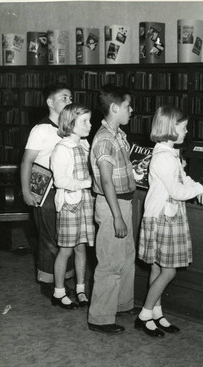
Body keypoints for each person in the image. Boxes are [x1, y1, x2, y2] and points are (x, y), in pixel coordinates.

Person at [136, 105, 203, 337]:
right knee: (169, 271)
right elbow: (176, 190)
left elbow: (183, 178)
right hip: (163, 217)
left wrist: (198, 186)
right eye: (183, 128)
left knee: (158, 267)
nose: (187, 131)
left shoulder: (170, 152)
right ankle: (144, 315)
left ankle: (156, 313)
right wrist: (198, 188)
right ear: (170, 128)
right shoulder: (164, 157)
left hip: (166, 215)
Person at [88, 84, 136, 335]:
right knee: (110, 261)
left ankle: (122, 304)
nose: (131, 110)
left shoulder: (117, 134)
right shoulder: (104, 138)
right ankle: (100, 318)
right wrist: (117, 216)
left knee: (126, 256)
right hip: (111, 206)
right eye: (128, 106)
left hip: (123, 202)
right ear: (115, 108)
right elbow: (106, 181)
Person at [20, 83, 74, 298]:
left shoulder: (71, 128)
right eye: (64, 98)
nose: (69, 102)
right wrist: (26, 191)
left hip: (66, 190)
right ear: (50, 103)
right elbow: (27, 162)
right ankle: (48, 281)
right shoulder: (41, 129)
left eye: (70, 98)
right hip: (46, 192)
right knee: (49, 237)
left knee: (66, 237)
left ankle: (62, 280)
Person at [50, 103, 94, 309]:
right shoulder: (62, 148)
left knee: (81, 248)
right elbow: (60, 181)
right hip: (70, 204)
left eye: (89, 120)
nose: (90, 124)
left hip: (85, 203)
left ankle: (80, 288)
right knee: (66, 250)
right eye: (84, 121)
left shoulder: (84, 145)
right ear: (70, 123)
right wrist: (88, 183)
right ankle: (58, 292)